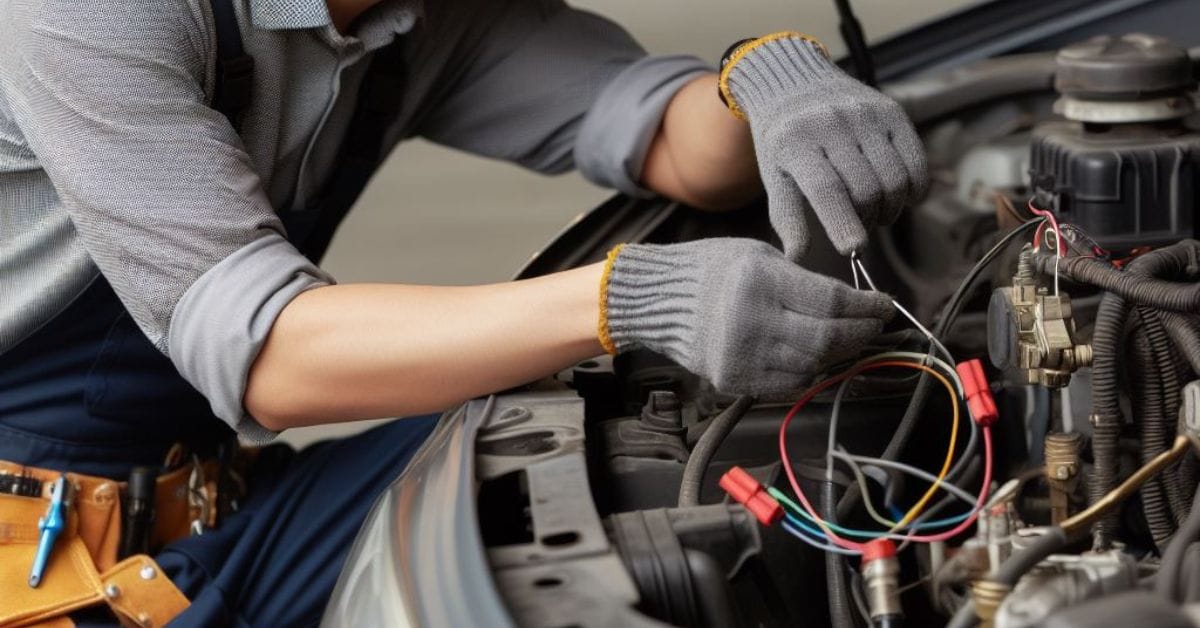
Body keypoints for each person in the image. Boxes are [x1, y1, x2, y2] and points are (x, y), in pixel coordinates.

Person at [0, 0, 926, 624]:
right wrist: (631, 294)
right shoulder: (91, 16)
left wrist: (760, 82)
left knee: (607, 460)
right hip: (32, 568)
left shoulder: (415, 16)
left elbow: (665, 136)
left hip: (212, 506)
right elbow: (272, 358)